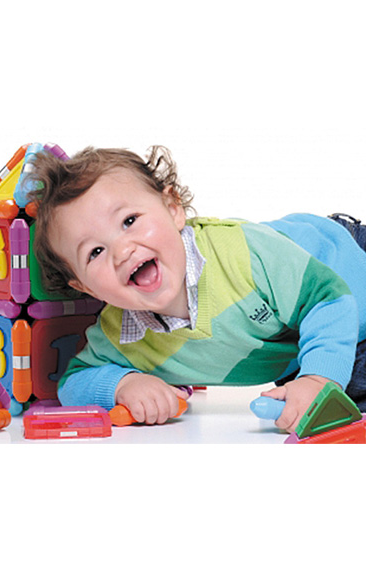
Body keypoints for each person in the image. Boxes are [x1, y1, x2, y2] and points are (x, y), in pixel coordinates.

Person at [27, 146, 366, 433]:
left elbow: (325, 298)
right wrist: (122, 385)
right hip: (299, 345)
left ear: (173, 209)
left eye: (129, 221)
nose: (122, 250)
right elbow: (73, 382)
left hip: (344, 272)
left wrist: (318, 380)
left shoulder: (242, 255)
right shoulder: (119, 337)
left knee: (336, 384)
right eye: (95, 252)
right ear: (85, 287)